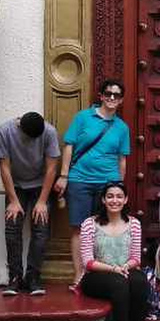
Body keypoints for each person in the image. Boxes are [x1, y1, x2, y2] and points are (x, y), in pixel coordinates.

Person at [54, 79, 131, 291]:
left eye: (117, 95)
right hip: (80, 179)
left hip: (108, 182)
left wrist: (118, 187)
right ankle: (79, 274)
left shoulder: (122, 128)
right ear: (101, 95)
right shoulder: (83, 118)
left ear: (121, 99)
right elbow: (69, 146)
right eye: (108, 93)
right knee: (79, 227)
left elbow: (121, 159)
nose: (112, 98)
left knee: (103, 228)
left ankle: (100, 273)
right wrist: (64, 175)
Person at [79, 182, 151, 321]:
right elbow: (88, 261)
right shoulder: (90, 224)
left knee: (139, 280)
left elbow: (136, 258)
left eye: (119, 196)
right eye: (110, 196)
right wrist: (113, 269)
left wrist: (126, 266)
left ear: (125, 200)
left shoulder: (133, 223)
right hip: (96, 275)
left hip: (124, 270)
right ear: (103, 199)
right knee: (119, 283)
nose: (114, 200)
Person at [0, 112, 60, 296]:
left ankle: (33, 277)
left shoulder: (49, 132)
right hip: (16, 184)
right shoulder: (5, 131)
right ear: (20, 127)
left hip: (41, 184)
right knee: (12, 228)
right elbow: (4, 167)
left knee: (41, 229)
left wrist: (42, 201)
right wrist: (13, 200)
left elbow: (52, 168)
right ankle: (14, 277)